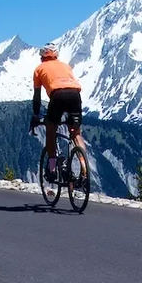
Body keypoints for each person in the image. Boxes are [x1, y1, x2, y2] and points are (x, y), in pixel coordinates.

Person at [29, 42, 87, 182]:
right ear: (56, 55)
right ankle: (85, 169)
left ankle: (53, 167)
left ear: (42, 57)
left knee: (51, 127)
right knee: (75, 132)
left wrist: (36, 114)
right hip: (75, 95)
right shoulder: (65, 66)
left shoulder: (39, 69)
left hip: (57, 95)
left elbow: (37, 97)